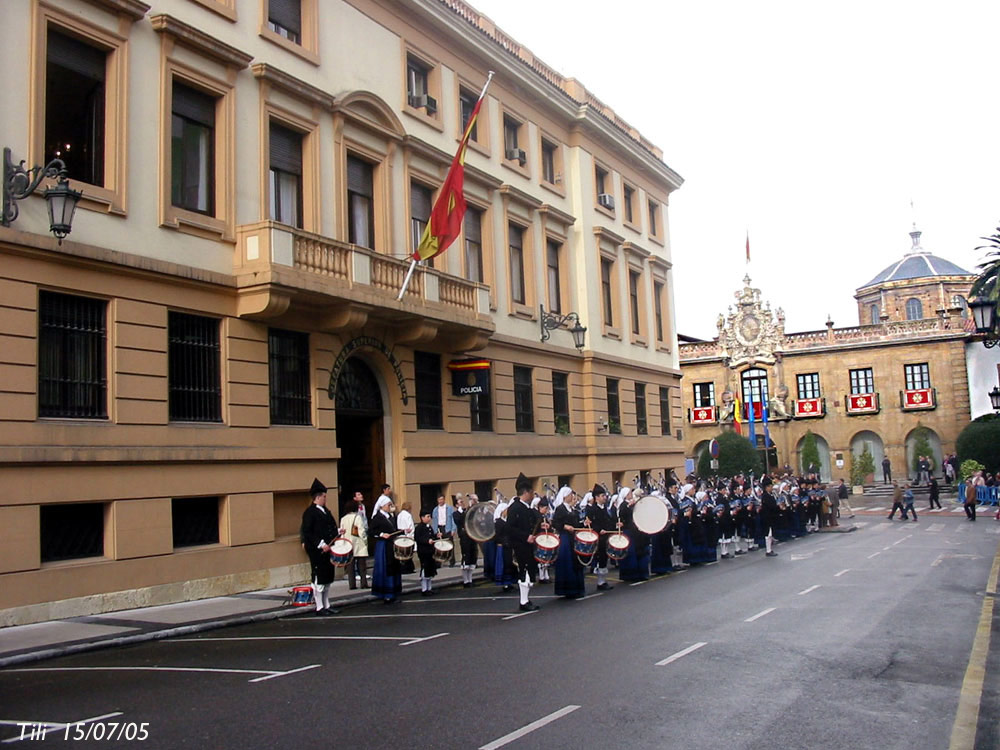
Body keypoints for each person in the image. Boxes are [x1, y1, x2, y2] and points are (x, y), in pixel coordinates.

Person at [300, 478, 340, 615]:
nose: (325, 499)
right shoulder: (310, 513)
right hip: (318, 551)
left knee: (327, 577)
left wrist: (338, 533)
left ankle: (326, 604)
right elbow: (308, 532)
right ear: (317, 497)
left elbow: (331, 527)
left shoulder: (325, 511)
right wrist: (321, 544)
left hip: (329, 550)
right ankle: (319, 607)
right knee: (319, 577)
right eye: (324, 496)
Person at [505, 473, 542, 612]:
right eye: (531, 491)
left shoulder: (527, 508)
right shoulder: (515, 508)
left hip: (528, 545)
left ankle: (526, 599)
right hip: (520, 545)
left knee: (529, 571)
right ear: (526, 492)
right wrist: (526, 536)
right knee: (524, 571)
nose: (533, 494)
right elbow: (509, 528)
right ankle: (523, 601)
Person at [552, 486, 586, 599]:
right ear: (565, 496)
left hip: (573, 538)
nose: (572, 496)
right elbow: (555, 523)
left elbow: (577, 524)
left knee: (576, 561)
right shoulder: (560, 509)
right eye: (571, 494)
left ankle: (577, 588)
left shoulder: (573, 509)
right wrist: (565, 526)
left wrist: (584, 524)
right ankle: (568, 589)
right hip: (565, 538)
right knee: (567, 563)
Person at [369, 495, 402, 603]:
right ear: (382, 506)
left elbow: (394, 530)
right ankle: (386, 594)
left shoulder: (390, 517)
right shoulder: (377, 518)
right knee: (386, 568)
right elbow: (371, 532)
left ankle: (394, 592)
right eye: (388, 505)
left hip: (391, 544)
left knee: (394, 567)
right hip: (383, 546)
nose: (390, 507)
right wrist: (382, 534)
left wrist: (402, 531)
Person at [586, 485, 616, 589]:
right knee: (600, 558)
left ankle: (603, 581)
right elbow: (590, 524)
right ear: (597, 497)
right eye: (603, 496)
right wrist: (599, 530)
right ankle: (600, 582)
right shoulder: (592, 509)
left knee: (604, 558)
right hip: (598, 538)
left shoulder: (605, 509)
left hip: (606, 537)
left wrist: (615, 526)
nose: (605, 497)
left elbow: (609, 520)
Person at [340, 492, 369, 589]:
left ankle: (351, 584)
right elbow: (361, 532)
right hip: (358, 544)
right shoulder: (358, 517)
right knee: (362, 566)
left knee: (350, 566)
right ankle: (363, 583)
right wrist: (365, 541)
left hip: (348, 544)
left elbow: (342, 532)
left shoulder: (343, 519)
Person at [414, 509, 441, 595]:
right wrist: (427, 541)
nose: (429, 518)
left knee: (430, 569)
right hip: (423, 551)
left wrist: (436, 536)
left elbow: (432, 537)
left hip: (430, 551)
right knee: (425, 569)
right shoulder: (419, 528)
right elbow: (417, 538)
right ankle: (424, 589)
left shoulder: (429, 527)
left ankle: (429, 588)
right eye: (427, 516)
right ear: (422, 518)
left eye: (430, 516)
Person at [454, 494, 478, 587]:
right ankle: (465, 581)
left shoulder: (467, 511)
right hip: (464, 537)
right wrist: (461, 511)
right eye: (460, 502)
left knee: (472, 556)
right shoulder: (456, 514)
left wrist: (472, 504)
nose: (462, 503)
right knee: (466, 557)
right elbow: (460, 521)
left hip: (471, 536)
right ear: (456, 505)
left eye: (462, 502)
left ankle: (470, 579)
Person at [434, 494, 457, 566]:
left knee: (449, 544)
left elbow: (453, 519)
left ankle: (452, 561)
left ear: (444, 500)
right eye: (439, 500)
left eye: (442, 499)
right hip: (439, 527)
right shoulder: (435, 510)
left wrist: (453, 529)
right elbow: (434, 521)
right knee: (439, 545)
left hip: (447, 527)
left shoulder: (449, 508)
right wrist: (435, 531)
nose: (440, 501)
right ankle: (438, 562)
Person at [760, 476, 779, 556]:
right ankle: (768, 550)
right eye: (770, 487)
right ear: (766, 487)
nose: (772, 488)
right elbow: (770, 506)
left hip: (771, 517)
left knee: (770, 534)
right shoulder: (765, 496)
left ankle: (770, 549)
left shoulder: (770, 495)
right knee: (768, 534)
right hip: (767, 517)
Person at [396, 501, 416, 574]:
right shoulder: (408, 515)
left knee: (402, 554)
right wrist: (412, 535)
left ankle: (402, 568)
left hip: (401, 536)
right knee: (408, 554)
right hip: (407, 536)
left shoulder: (399, 515)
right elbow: (411, 526)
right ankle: (408, 569)